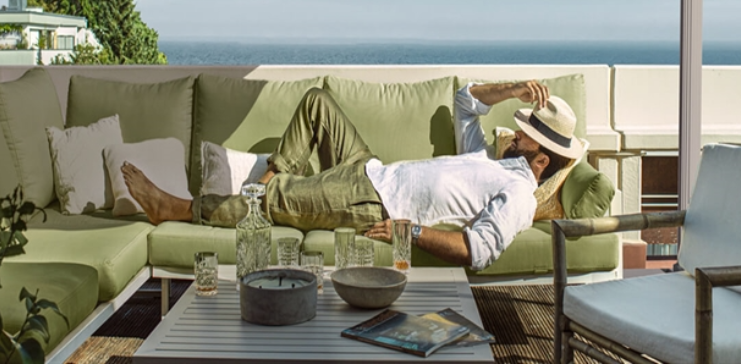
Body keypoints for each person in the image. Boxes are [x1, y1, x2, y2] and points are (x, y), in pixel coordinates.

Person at [122, 80, 584, 271]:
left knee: (281, 198)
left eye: (524, 135)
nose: (515, 134)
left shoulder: (517, 194)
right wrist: (511, 90)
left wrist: (412, 230)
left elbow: (477, 250)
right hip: (372, 169)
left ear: (540, 161)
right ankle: (273, 179)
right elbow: (467, 102)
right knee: (317, 102)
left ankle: (179, 208)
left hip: (372, 202)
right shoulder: (492, 161)